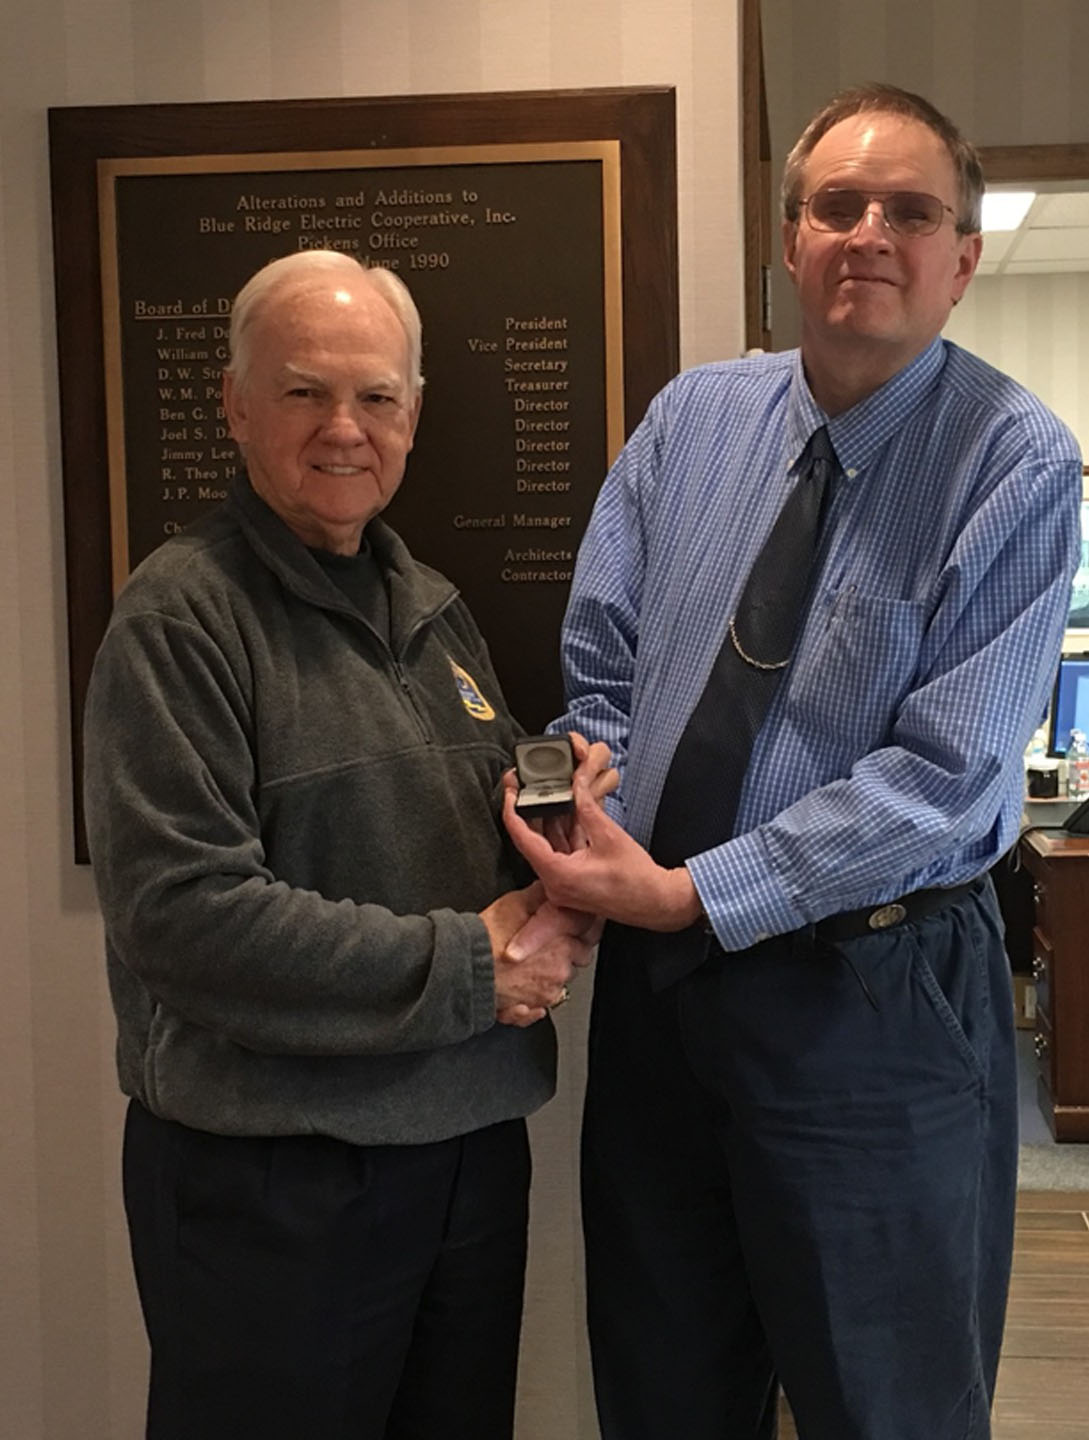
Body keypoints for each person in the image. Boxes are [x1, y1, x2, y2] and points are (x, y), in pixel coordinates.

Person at [503, 85, 1083, 1439]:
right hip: (663, 1002)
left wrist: (694, 892)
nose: (867, 234)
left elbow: (943, 778)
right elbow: (602, 665)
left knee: (884, 1405)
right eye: (837, 205)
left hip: (868, 999)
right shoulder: (691, 420)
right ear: (789, 237)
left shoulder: (1017, 462)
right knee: (662, 1387)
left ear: (961, 259)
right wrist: (593, 809)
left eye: (910, 212)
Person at [83, 249, 611, 1440]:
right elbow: (187, 915)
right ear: (233, 404)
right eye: (304, 392)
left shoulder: (429, 601)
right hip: (278, 1181)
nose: (343, 429)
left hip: (467, 1158)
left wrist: (553, 818)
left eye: (376, 397)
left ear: (414, 416)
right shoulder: (178, 618)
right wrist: (474, 964)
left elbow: (466, 823)